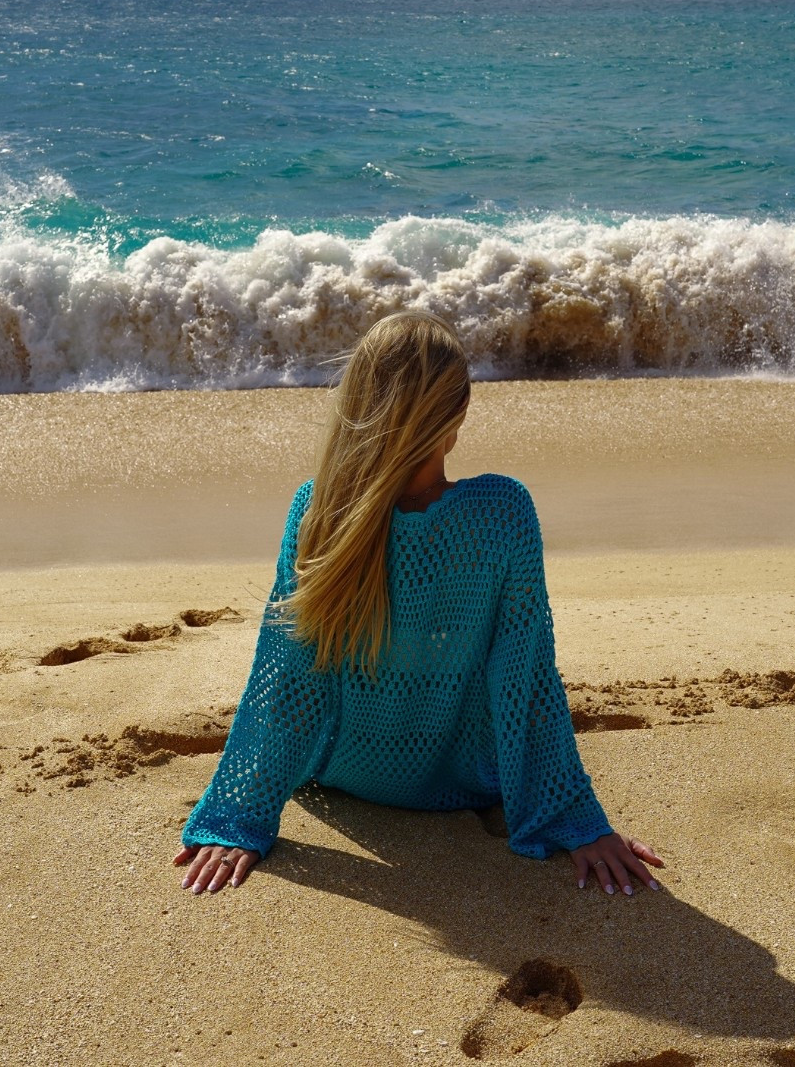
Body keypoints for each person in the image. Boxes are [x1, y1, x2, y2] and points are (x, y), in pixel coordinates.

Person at [172, 310, 666, 898]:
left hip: (341, 772)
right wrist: (576, 820)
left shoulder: (317, 509)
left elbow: (285, 682)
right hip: (463, 777)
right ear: (455, 416)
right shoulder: (501, 511)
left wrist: (241, 817)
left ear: (356, 404)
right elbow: (525, 677)